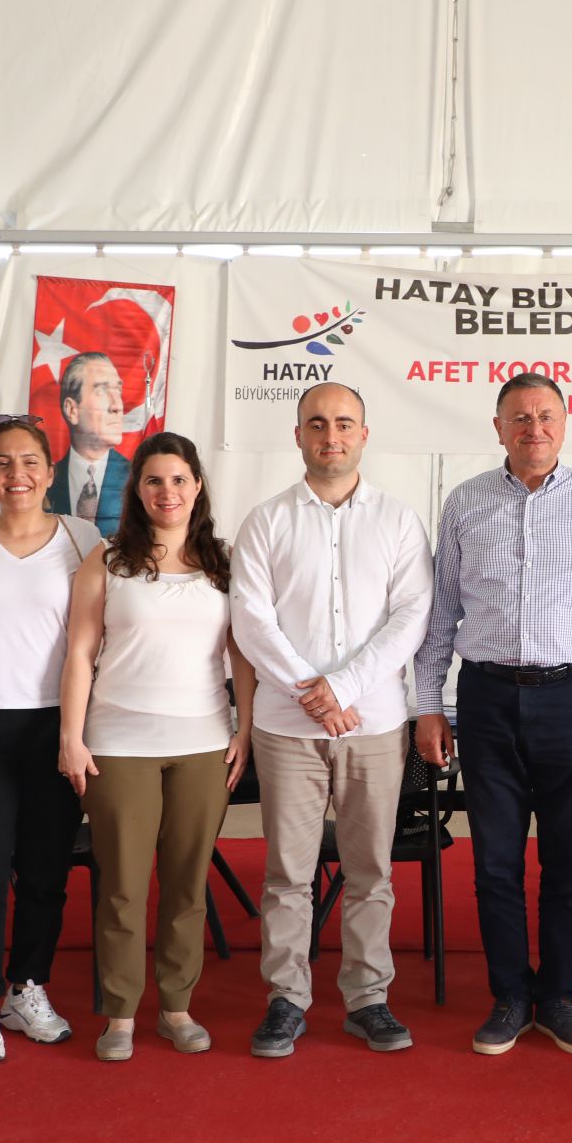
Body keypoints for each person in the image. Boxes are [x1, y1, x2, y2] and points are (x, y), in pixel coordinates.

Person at [414, 372, 572, 1058]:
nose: (533, 428)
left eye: (546, 416)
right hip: (486, 699)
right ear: (498, 428)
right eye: (519, 417)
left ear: (565, 425)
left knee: (567, 860)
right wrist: (428, 706)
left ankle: (560, 997)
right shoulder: (465, 503)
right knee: (495, 863)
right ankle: (511, 996)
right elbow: (440, 615)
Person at [231, 383, 433, 1058]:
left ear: (364, 435)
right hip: (287, 729)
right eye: (317, 424)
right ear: (298, 436)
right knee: (288, 873)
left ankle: (368, 999)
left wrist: (341, 687)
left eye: (344, 423)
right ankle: (286, 1000)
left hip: (373, 725)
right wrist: (311, 693)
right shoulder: (266, 521)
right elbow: (250, 619)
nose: (331, 436)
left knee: (370, 869)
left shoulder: (399, 521)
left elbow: (411, 617)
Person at [59, 431, 255, 1062]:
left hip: (204, 743)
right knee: (121, 888)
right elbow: (80, 653)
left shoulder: (224, 562)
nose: (166, 492)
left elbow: (242, 655)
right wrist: (70, 738)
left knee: (186, 886)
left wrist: (245, 730)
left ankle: (176, 1007)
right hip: (119, 744)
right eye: (153, 480)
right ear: (137, 490)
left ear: (197, 487)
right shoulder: (108, 559)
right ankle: (119, 1015)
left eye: (178, 479)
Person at [0, 415, 101, 1063]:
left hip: (56, 727)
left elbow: (100, 635)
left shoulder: (84, 538)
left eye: (29, 461)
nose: (17, 474)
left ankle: (26, 986)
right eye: (2, 463)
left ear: (50, 472)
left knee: (44, 872)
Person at [45, 351, 131, 536]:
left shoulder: (137, 479)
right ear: (72, 410)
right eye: (102, 391)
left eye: (118, 391)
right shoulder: (44, 483)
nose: (117, 406)